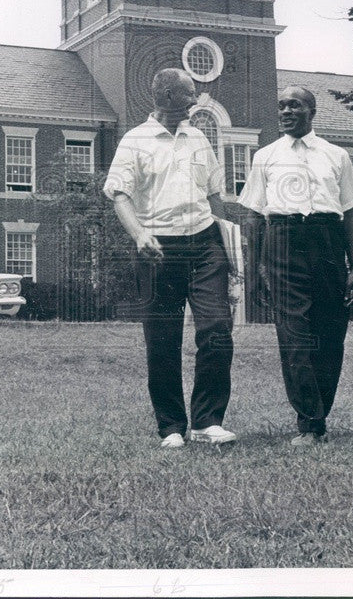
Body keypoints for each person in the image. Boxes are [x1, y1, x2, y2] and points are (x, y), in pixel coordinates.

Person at [103, 68, 236, 449]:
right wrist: (140, 234)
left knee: (216, 329)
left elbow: (215, 196)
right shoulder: (135, 140)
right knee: (162, 339)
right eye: (189, 94)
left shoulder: (199, 140)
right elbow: (118, 194)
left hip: (206, 243)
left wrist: (229, 249)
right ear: (165, 97)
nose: (195, 102)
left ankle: (208, 421)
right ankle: (171, 427)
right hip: (158, 248)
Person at [238, 86, 353, 445]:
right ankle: (309, 422)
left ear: (312, 110)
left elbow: (351, 213)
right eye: (281, 106)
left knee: (329, 332)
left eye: (294, 105)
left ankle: (320, 411)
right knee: (293, 333)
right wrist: (255, 269)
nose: (286, 111)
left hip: (327, 239)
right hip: (282, 238)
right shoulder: (265, 156)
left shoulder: (336, 156)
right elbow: (253, 216)